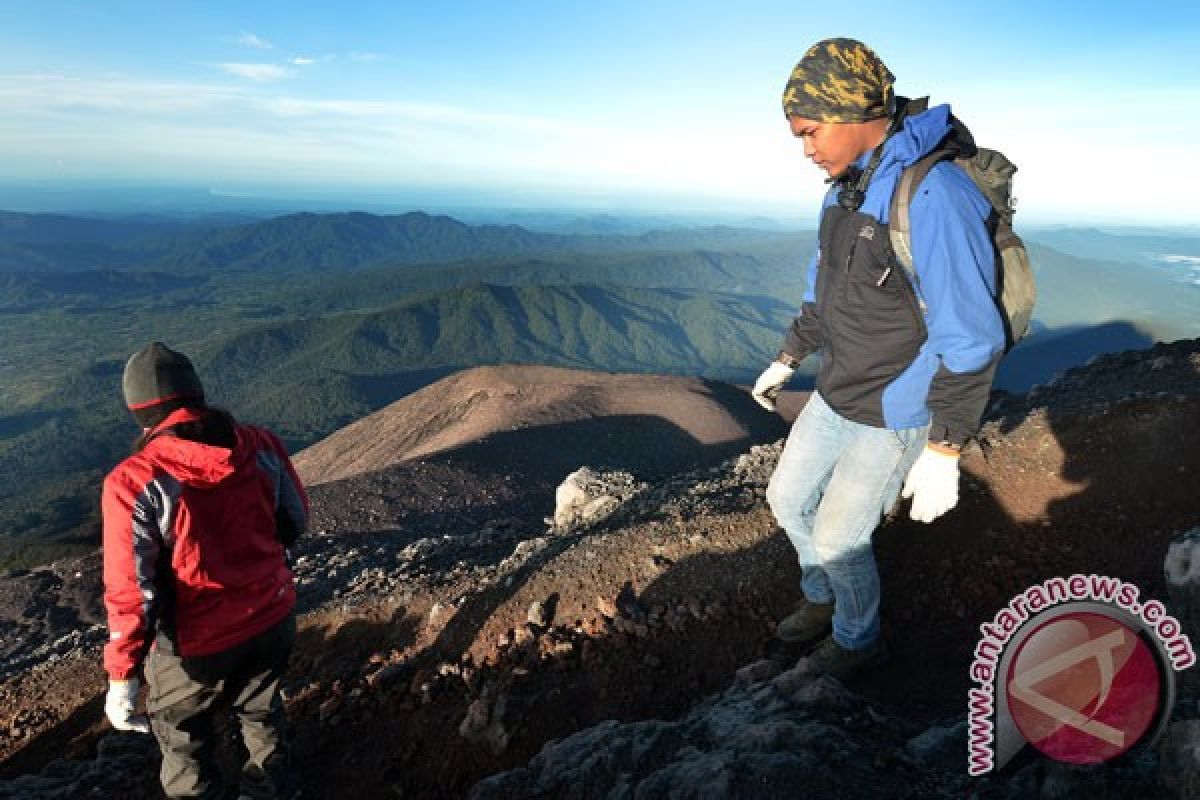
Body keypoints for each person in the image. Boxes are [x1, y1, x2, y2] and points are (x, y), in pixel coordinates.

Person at [751, 38, 1005, 679]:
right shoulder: (845, 189)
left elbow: (971, 335)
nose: (806, 149)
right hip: (837, 390)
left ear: (851, 113)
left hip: (894, 408)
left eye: (811, 132)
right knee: (786, 498)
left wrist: (944, 448)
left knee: (840, 537)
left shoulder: (933, 195)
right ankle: (823, 598)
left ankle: (858, 642)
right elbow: (824, 292)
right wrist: (789, 356)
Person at [101, 342, 308, 799]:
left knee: (183, 738)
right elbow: (295, 521)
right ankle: (271, 790)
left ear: (139, 412)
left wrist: (123, 676)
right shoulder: (261, 445)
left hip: (197, 642)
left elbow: (132, 591)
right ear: (196, 392)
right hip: (272, 615)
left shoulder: (134, 482)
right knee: (262, 711)